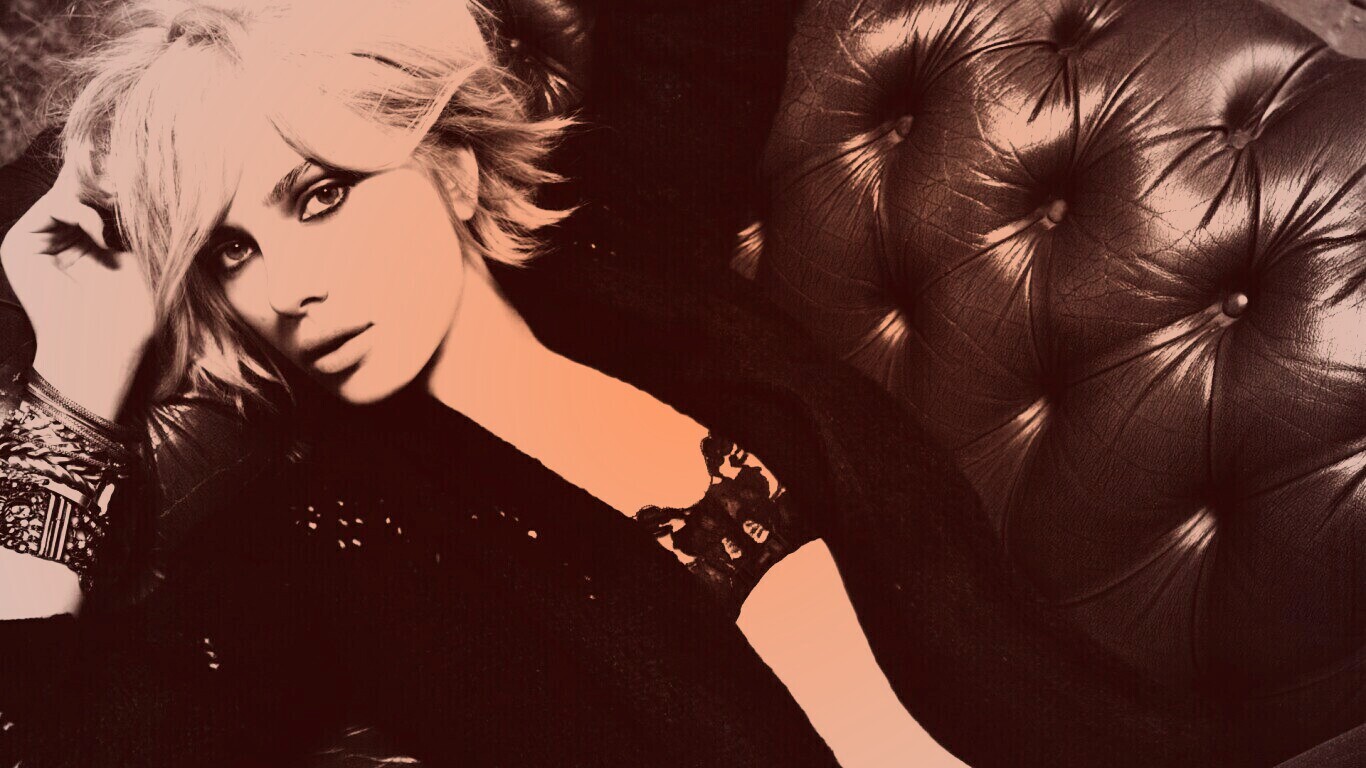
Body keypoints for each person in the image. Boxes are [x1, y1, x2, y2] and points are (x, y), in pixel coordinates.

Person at [0, 1, 1240, 766]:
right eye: (230, 252)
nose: (286, 288)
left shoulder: (626, 258)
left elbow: (700, 32)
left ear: (450, 165)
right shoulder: (330, 534)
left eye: (320, 195)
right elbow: (44, 731)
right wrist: (74, 387)